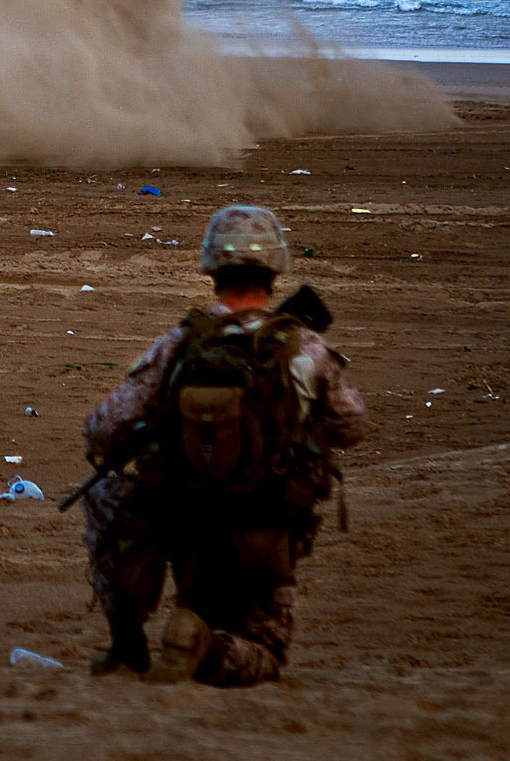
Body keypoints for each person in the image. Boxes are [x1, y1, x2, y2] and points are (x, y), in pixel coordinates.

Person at [79, 204, 365, 685]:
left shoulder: (179, 344)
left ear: (210, 269)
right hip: (265, 531)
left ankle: (128, 641)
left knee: (104, 494)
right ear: (275, 270)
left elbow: (103, 429)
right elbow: (352, 425)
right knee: (265, 652)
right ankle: (207, 648)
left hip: (182, 524)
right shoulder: (305, 348)